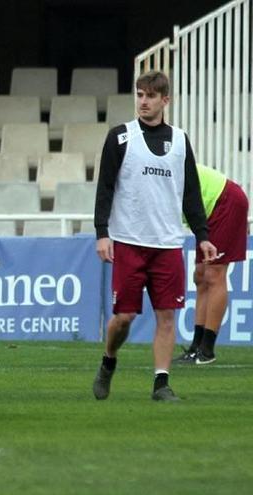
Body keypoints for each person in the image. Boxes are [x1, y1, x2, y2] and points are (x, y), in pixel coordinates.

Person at [92, 70, 217, 402]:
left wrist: (202, 235)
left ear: (166, 100)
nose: (143, 101)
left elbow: (191, 192)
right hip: (130, 242)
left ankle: (161, 384)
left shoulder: (179, 140)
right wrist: (102, 233)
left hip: (167, 244)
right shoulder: (120, 137)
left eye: (150, 96)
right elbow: (104, 188)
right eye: (139, 95)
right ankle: (108, 361)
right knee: (124, 318)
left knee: (166, 316)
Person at [173, 165, 249, 365]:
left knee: (214, 274)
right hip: (207, 211)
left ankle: (207, 350)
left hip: (225, 201)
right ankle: (196, 346)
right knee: (200, 275)